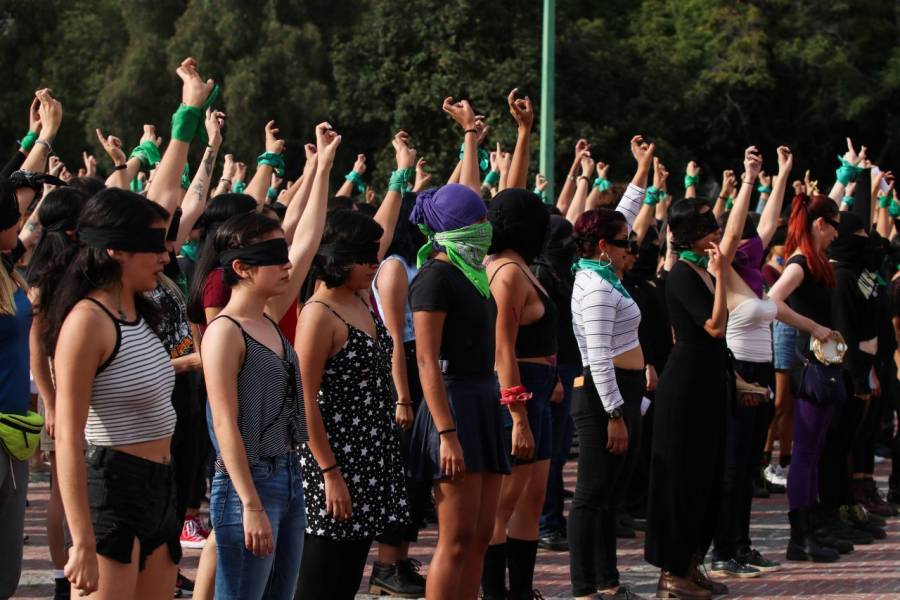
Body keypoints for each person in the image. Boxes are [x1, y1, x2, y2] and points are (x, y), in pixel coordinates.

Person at [201, 121, 337, 600]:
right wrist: (250, 503)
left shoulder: (270, 315)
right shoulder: (225, 333)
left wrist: (321, 165)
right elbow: (225, 424)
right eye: (272, 256)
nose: (287, 265)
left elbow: (309, 237)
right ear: (241, 267)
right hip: (249, 483)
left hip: (288, 474)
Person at [294, 132, 410, 599]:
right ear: (337, 259)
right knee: (320, 579)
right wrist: (329, 472)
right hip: (335, 458)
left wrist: (399, 175)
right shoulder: (319, 314)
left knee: (348, 578)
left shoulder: (361, 298)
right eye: (363, 257)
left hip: (371, 454)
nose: (373, 264)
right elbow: (303, 400)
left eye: (374, 255)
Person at [406, 95, 509, 600]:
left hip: (483, 398)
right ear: (453, 231)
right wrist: (445, 433)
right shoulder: (434, 278)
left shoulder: (469, 268)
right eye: (476, 220)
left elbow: (463, 194)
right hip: (451, 404)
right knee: (455, 540)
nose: (485, 225)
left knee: (482, 538)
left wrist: (469, 134)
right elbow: (425, 359)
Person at [566, 136, 653, 600]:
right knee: (591, 495)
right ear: (603, 246)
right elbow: (598, 354)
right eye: (623, 245)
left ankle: (608, 582)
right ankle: (585, 586)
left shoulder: (600, 272)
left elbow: (625, 215)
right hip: (605, 395)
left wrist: (641, 169)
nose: (630, 251)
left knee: (608, 498)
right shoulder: (595, 286)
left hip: (622, 389)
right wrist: (616, 413)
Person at [644, 188, 731, 599]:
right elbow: (714, 326)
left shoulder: (705, 270)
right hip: (686, 384)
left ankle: (693, 562)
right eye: (706, 226)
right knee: (682, 476)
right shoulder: (680, 273)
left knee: (708, 477)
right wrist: (726, 275)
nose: (715, 231)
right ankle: (672, 571)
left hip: (710, 378)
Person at [482, 188, 555, 600]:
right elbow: (502, 348)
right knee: (503, 504)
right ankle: (494, 592)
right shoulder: (506, 272)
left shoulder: (522, 266)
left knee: (533, 498)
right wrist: (518, 417)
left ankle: (522, 591)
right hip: (519, 394)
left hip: (541, 390)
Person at [768, 191, 843, 563]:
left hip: (822, 365)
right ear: (819, 224)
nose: (836, 235)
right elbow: (774, 300)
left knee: (813, 451)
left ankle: (810, 529)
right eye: (834, 227)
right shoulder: (800, 262)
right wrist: (813, 327)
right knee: (805, 452)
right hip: (808, 366)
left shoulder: (816, 260)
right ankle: (800, 535)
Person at [368, 191, 430, 596]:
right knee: (402, 472)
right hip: (401, 370)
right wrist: (402, 397)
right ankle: (386, 564)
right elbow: (393, 338)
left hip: (421, 364)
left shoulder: (420, 262)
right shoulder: (393, 267)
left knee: (418, 472)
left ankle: (401, 557)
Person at [535, 215, 580, 551]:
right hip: (553, 371)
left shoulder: (565, 272)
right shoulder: (540, 274)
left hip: (570, 366)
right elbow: (543, 332)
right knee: (547, 453)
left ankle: (553, 518)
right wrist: (552, 378)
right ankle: (547, 521)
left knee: (560, 451)